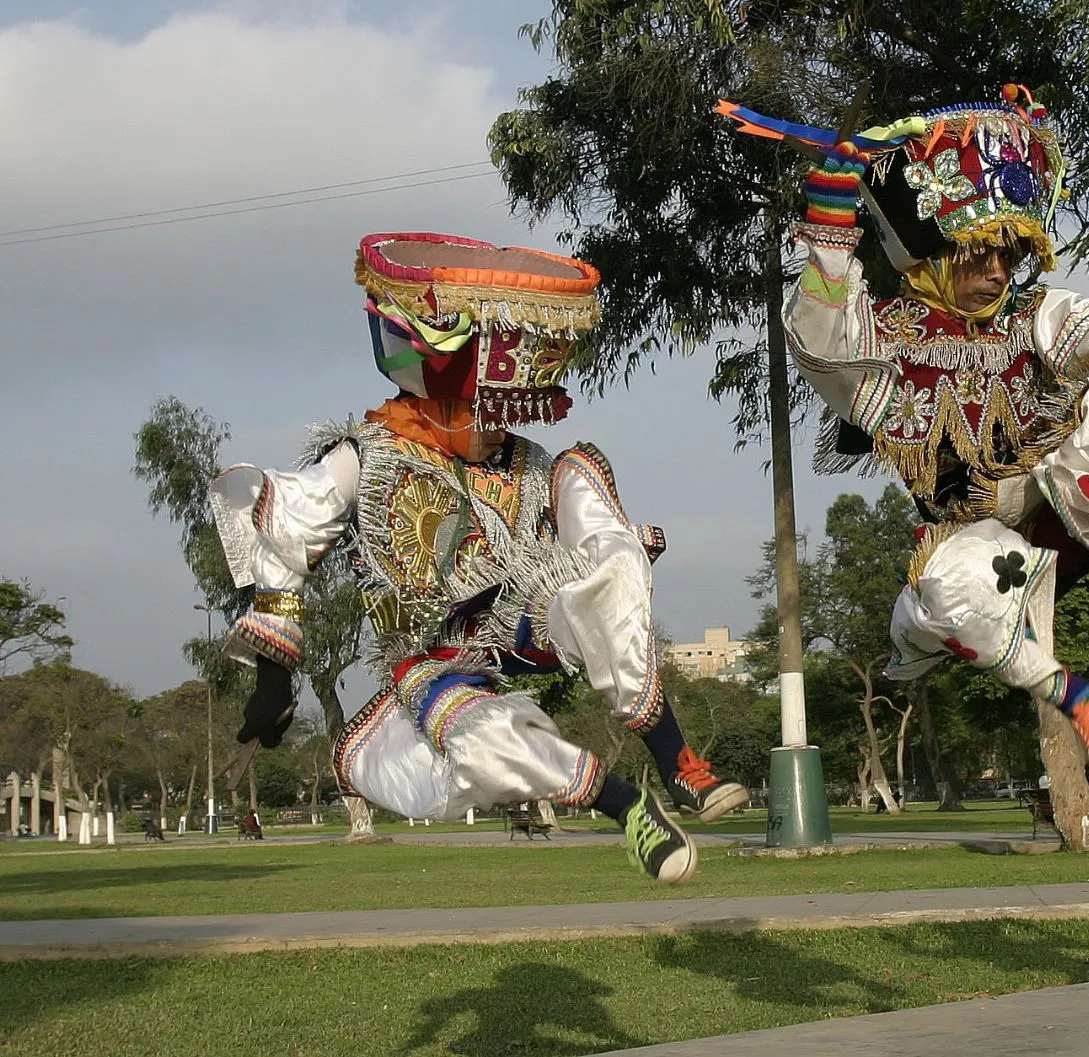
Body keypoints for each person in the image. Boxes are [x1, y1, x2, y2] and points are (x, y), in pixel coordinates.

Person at [719, 86, 1089, 783]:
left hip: (1061, 506)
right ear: (933, 252)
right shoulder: (880, 341)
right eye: (978, 253)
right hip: (974, 534)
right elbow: (817, 329)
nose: (997, 270)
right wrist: (831, 219)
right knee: (945, 587)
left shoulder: (1032, 316)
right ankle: (1081, 703)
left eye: (1009, 254)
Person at [208, 233, 747, 883]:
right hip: (433, 653)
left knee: (595, 515)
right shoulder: (371, 455)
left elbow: (576, 551)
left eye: (507, 411)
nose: (497, 426)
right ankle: (628, 807)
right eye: (482, 410)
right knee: (481, 746)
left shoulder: (534, 463)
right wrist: (273, 674)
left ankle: (678, 756)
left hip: (538, 605)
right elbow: (285, 524)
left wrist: (601, 557)